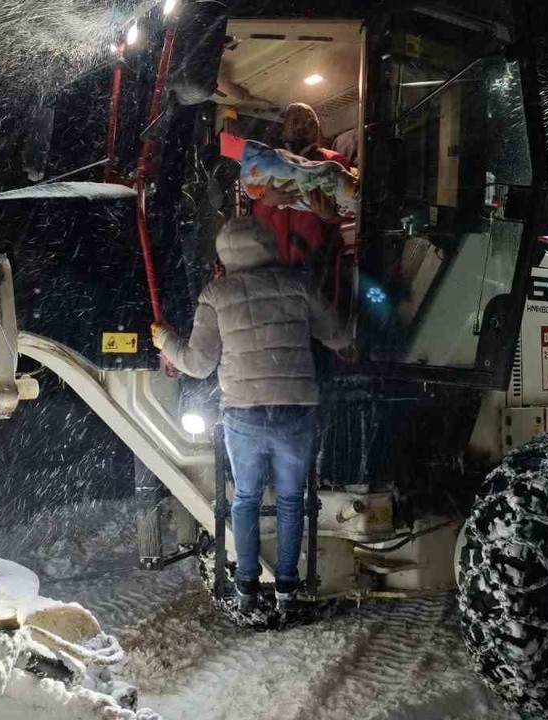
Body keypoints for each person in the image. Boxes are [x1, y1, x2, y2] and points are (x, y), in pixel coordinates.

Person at [151, 217, 350, 612]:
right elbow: (340, 336)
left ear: (225, 254)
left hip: (244, 413)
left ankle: (245, 587)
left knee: (244, 499)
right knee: (293, 499)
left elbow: (198, 363)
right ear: (268, 247)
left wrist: (165, 340)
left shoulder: (216, 295)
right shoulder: (298, 285)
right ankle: (287, 589)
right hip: (296, 410)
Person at [253, 103, 353, 282]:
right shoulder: (270, 163)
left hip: (320, 263)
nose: (302, 127)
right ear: (284, 130)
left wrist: (330, 215)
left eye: (310, 123)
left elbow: (350, 207)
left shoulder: (332, 162)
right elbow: (257, 218)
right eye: (295, 121)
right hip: (277, 265)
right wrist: (267, 201)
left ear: (317, 130)